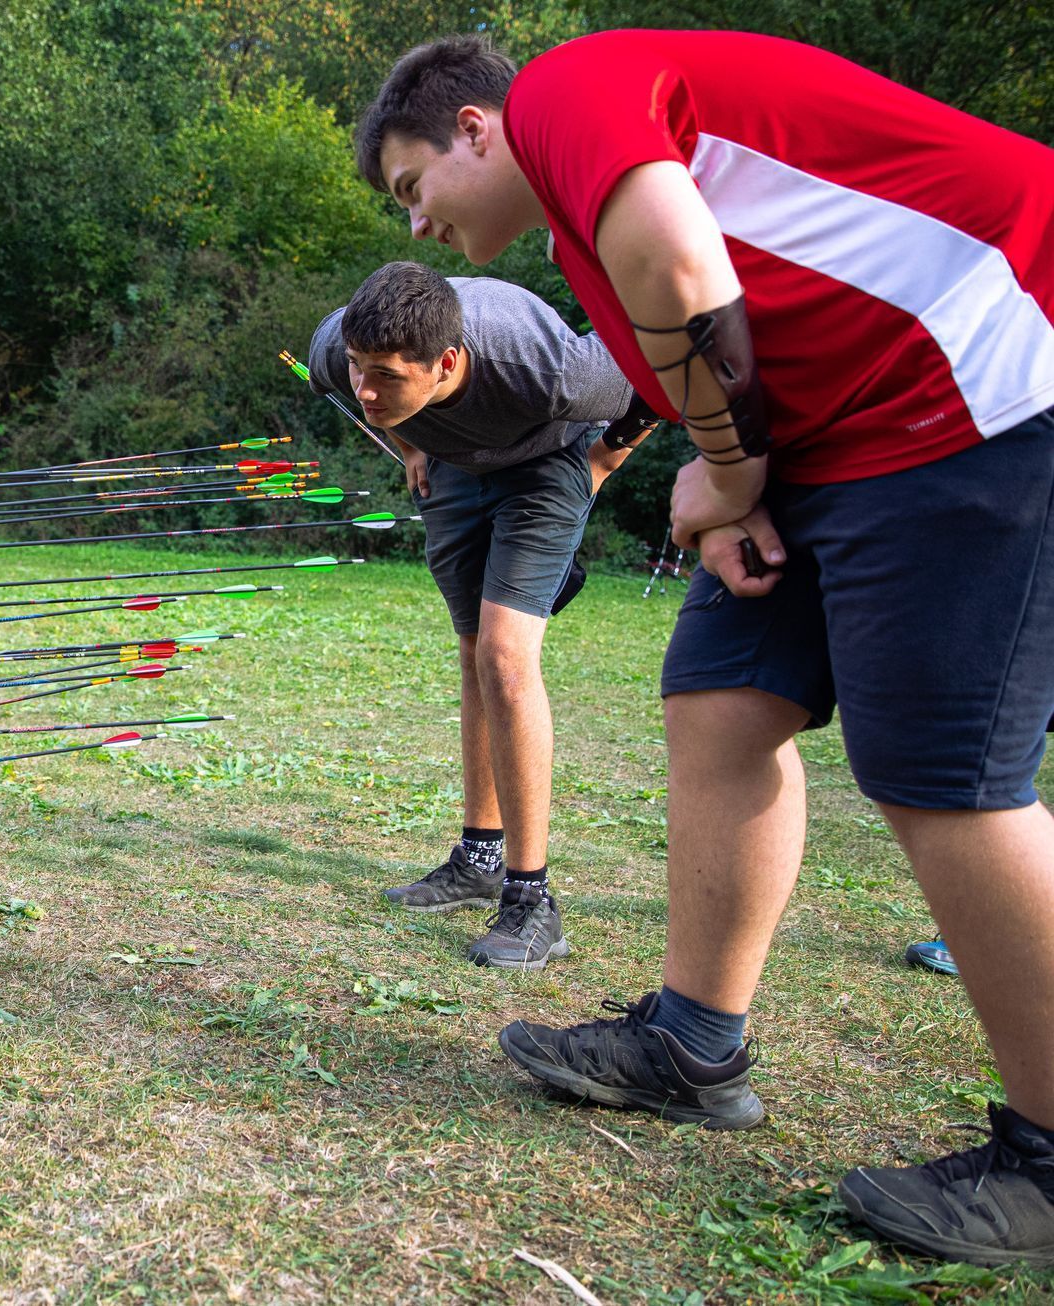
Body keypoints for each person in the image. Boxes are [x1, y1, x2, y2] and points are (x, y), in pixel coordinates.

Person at [353, 30, 1054, 1266]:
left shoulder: (561, 95)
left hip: (984, 366)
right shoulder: (575, 237)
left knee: (942, 769)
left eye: (413, 186)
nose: (416, 225)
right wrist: (734, 491)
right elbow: (723, 334)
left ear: (473, 128)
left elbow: (683, 263)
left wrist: (725, 470)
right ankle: (692, 1043)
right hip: (847, 431)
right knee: (723, 696)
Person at [307, 261, 655, 968]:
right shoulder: (339, 350)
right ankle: (479, 860)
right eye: (357, 367)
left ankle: (532, 901)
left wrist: (605, 460)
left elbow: (655, 365)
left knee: (505, 656)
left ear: (447, 363)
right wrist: (410, 442)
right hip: (453, 471)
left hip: (547, 468)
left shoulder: (549, 368)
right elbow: (356, 384)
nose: (364, 388)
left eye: (387, 377)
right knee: (474, 654)